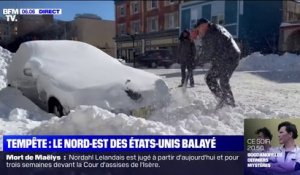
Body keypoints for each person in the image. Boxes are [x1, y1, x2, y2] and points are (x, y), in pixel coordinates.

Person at [193, 18, 241, 109]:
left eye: (198, 28)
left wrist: (197, 61)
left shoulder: (212, 31)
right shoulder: (211, 31)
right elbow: (208, 50)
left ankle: (230, 104)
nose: (198, 30)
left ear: (204, 25)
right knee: (210, 78)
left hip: (230, 57)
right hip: (222, 58)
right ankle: (222, 100)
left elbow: (208, 52)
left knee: (223, 80)